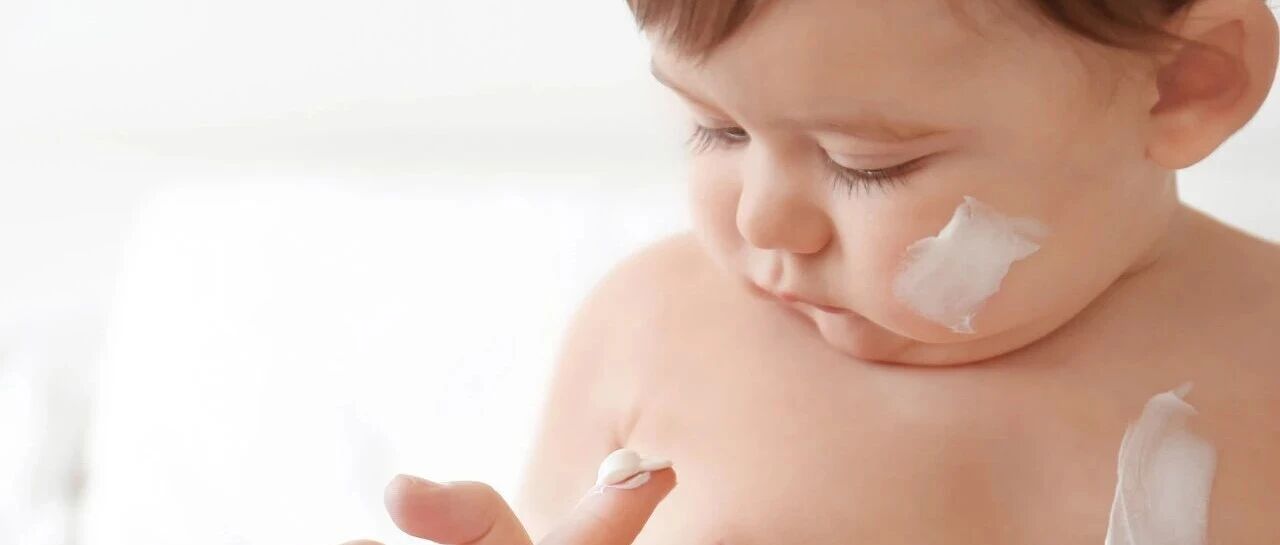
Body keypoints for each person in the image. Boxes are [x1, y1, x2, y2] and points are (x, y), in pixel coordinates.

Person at [348, 0, 1280, 543]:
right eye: (717, 129)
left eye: (866, 163)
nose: (760, 219)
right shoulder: (650, 331)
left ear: (1185, 85)